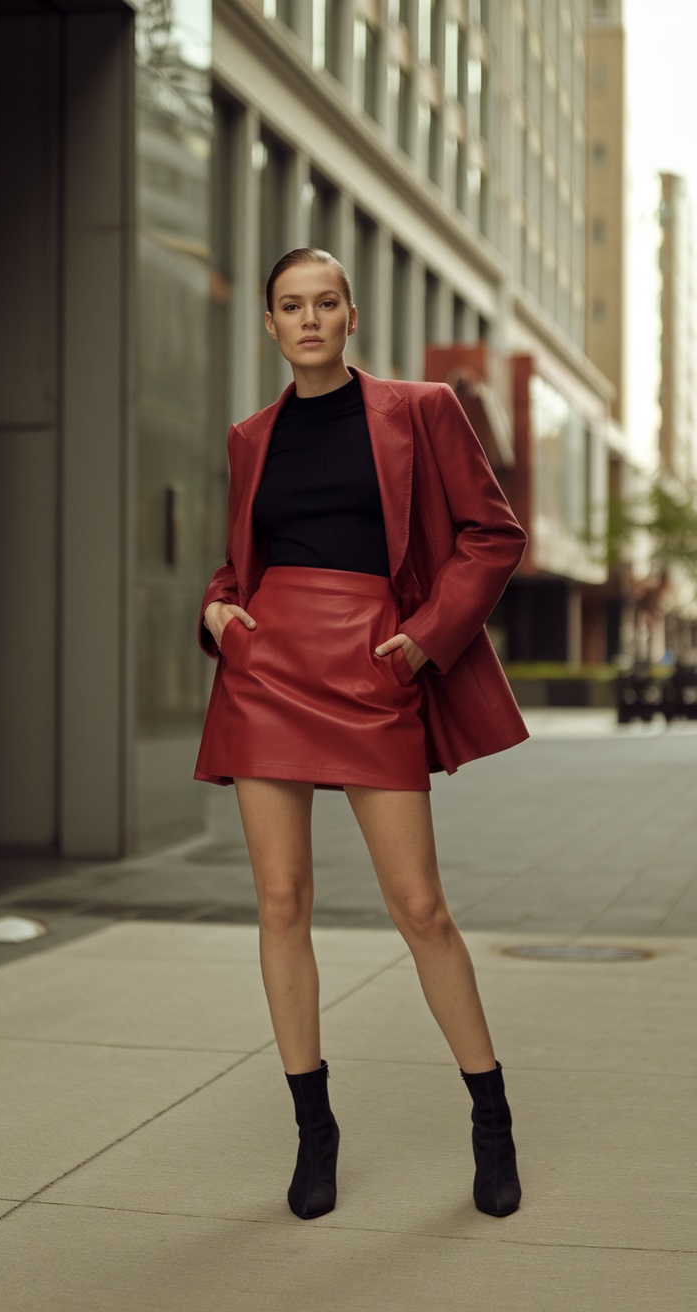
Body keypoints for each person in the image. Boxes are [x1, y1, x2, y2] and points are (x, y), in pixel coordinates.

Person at [195, 247, 527, 1222]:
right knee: (281, 899)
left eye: (325, 302)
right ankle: (314, 1132)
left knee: (420, 906)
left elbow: (490, 534)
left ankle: (491, 1115)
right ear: (270, 325)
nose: (308, 318)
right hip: (268, 678)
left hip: (377, 671)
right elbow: (239, 563)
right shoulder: (248, 436)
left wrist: (424, 642)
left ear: (350, 316)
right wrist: (216, 612)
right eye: (290, 306)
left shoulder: (419, 409)